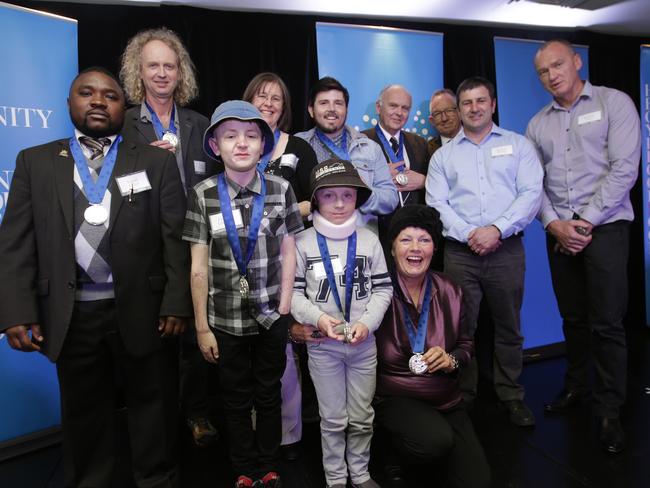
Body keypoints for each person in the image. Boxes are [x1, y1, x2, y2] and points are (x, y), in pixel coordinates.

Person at [0, 67, 191, 488]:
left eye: (110, 95)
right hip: (71, 314)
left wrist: (177, 301)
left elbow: (175, 237)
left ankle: (156, 479)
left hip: (145, 310)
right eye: (87, 93)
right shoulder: (36, 162)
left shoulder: (155, 161)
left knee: (153, 408)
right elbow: (14, 243)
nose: (99, 101)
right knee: (85, 413)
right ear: (70, 104)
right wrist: (16, 311)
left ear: (126, 106)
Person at [526, 39, 641, 454]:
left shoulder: (615, 104)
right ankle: (577, 388)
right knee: (572, 319)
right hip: (561, 233)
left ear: (577, 62)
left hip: (606, 229)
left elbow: (625, 168)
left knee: (607, 322)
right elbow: (533, 183)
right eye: (543, 71)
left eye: (558, 65)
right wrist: (555, 224)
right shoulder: (538, 123)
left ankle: (610, 408)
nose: (552, 75)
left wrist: (584, 221)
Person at [183, 100, 303, 488]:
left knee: (268, 394)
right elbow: (198, 266)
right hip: (224, 318)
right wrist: (202, 327)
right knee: (234, 398)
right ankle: (243, 469)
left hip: (272, 313)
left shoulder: (280, 189)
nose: (241, 144)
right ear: (215, 145)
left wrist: (286, 305)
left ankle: (267, 466)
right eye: (230, 136)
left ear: (263, 145)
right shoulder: (203, 194)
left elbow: (289, 250)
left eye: (252, 136)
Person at [119, 27, 219, 447]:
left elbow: (216, 183)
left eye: (169, 66)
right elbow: (113, 185)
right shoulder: (123, 123)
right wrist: (145, 168)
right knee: (152, 337)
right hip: (144, 246)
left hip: (196, 245)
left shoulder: (200, 124)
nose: (162, 73)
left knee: (198, 336)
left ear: (181, 73)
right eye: (153, 66)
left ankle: (196, 412)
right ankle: (156, 418)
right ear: (138, 73)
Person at [426, 76, 543, 427]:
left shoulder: (519, 146)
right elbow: (437, 204)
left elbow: (531, 194)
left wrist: (496, 230)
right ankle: (464, 395)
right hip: (461, 253)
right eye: (467, 103)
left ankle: (511, 394)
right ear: (459, 109)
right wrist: (470, 234)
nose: (474, 108)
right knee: (462, 328)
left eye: (481, 101)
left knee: (509, 326)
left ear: (492, 104)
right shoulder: (443, 156)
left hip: (506, 250)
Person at [291, 159, 393, 488]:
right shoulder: (303, 243)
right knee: (333, 419)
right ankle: (336, 478)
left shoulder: (369, 240)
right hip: (324, 348)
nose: (338, 204)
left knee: (362, 417)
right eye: (329, 196)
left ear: (357, 199)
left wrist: (368, 323)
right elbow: (292, 295)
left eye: (347, 196)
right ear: (316, 199)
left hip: (364, 346)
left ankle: (360, 473)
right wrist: (318, 318)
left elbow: (383, 289)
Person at [375, 204, 490, 488]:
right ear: (392, 249)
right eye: (406, 240)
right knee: (434, 442)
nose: (415, 248)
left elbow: (465, 343)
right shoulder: (377, 292)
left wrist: (452, 360)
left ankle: (428, 449)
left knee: (479, 482)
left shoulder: (452, 290)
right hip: (394, 396)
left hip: (445, 398)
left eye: (424, 240)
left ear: (434, 249)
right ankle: (394, 452)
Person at [243, 71, 320, 460]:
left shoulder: (300, 149)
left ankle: (287, 433)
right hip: (243, 260)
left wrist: (279, 212)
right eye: (261, 96)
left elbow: (316, 199)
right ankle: (252, 432)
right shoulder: (238, 140)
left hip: (289, 254)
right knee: (247, 350)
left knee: (285, 347)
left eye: (276, 98)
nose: (269, 103)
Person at [296, 76, 399, 230]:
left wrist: (360, 193)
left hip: (361, 239)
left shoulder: (370, 148)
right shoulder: (298, 146)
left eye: (338, 103)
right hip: (312, 240)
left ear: (346, 109)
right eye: (324, 103)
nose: (332, 109)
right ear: (311, 110)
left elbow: (390, 199)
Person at [361, 84, 429, 253]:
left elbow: (436, 186)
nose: (399, 113)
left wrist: (424, 181)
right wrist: (379, 176)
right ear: (378, 107)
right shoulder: (360, 141)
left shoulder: (420, 143)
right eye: (393, 106)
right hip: (375, 233)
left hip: (415, 237)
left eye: (405, 108)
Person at [427, 88, 462, 157]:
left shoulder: (477, 139)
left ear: (459, 112)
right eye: (437, 113)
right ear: (432, 121)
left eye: (449, 110)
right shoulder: (426, 151)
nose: (444, 118)